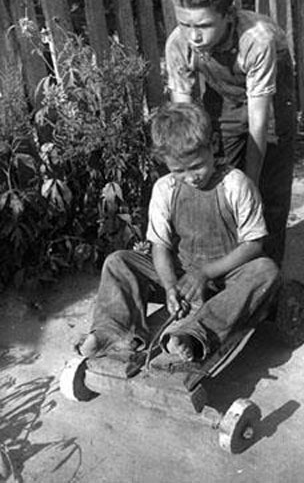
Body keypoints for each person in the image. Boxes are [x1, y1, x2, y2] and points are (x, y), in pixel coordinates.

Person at [78, 102, 279, 368]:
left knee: (266, 269)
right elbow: (159, 246)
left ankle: (194, 333)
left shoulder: (236, 184)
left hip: (226, 276)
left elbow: (253, 244)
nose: (191, 178)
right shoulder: (165, 188)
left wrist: (206, 273)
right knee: (118, 261)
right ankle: (112, 332)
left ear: (213, 145)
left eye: (196, 166)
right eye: (179, 171)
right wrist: (171, 285)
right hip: (183, 271)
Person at [166, 0, 296, 266]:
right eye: (185, 24)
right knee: (216, 176)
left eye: (203, 26)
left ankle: (266, 278)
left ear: (228, 14)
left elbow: (259, 121)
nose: (193, 36)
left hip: (270, 104)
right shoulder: (179, 43)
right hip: (224, 98)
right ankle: (223, 265)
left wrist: (250, 182)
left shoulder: (257, 39)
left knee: (268, 191)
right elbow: (184, 120)